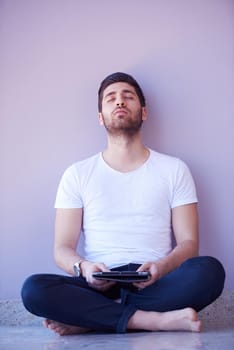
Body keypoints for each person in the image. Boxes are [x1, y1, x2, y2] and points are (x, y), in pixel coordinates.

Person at [21, 72, 225, 336]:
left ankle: (92, 320)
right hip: (99, 284)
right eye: (111, 98)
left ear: (143, 112)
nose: (119, 102)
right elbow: (62, 249)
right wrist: (85, 268)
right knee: (34, 289)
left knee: (209, 271)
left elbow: (189, 245)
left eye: (127, 96)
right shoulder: (77, 173)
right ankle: (153, 321)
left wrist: (161, 267)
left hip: (155, 281)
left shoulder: (174, 169)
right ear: (100, 117)